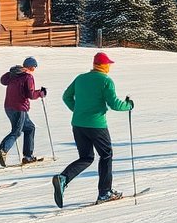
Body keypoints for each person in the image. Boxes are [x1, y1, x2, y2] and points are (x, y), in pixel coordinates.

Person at [51, 52, 134, 208]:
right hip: (97, 125)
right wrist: (128, 105)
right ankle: (104, 193)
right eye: (108, 64)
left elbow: (66, 97)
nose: (109, 67)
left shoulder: (80, 78)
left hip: (78, 124)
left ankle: (63, 178)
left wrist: (78, 110)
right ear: (103, 66)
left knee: (86, 157)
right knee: (106, 155)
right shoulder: (106, 81)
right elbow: (114, 104)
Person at [0, 55, 46, 166]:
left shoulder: (13, 75)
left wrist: (11, 72)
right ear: (31, 67)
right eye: (34, 67)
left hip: (8, 107)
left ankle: (28, 156)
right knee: (17, 131)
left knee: (30, 128)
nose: (34, 70)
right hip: (19, 108)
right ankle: (2, 150)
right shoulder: (28, 77)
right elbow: (30, 94)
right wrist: (40, 93)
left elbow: (3, 80)